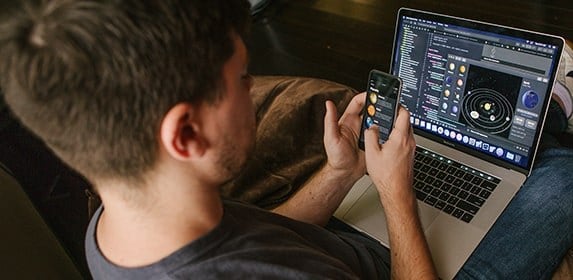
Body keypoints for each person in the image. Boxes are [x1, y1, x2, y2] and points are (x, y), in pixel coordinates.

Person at [0, 1, 570, 279]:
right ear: (186, 133)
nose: (253, 93)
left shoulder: (118, 220)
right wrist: (397, 195)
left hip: (361, 250)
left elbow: (270, 233)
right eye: (242, 79)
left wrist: (342, 173)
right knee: (562, 174)